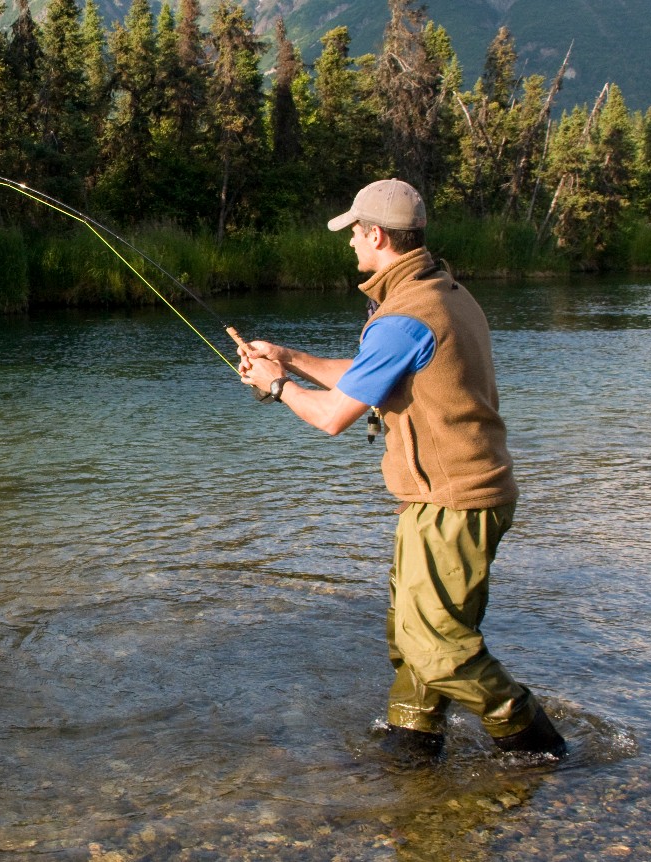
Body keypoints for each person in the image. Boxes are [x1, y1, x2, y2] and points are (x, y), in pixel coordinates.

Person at [237, 178, 567, 762]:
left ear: (379, 236)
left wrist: (277, 386)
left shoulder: (406, 316)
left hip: (454, 500)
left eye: (355, 233)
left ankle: (535, 742)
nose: (350, 245)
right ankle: (413, 740)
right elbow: (374, 372)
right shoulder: (441, 291)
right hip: (452, 495)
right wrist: (291, 357)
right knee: (412, 631)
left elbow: (334, 417)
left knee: (435, 641)